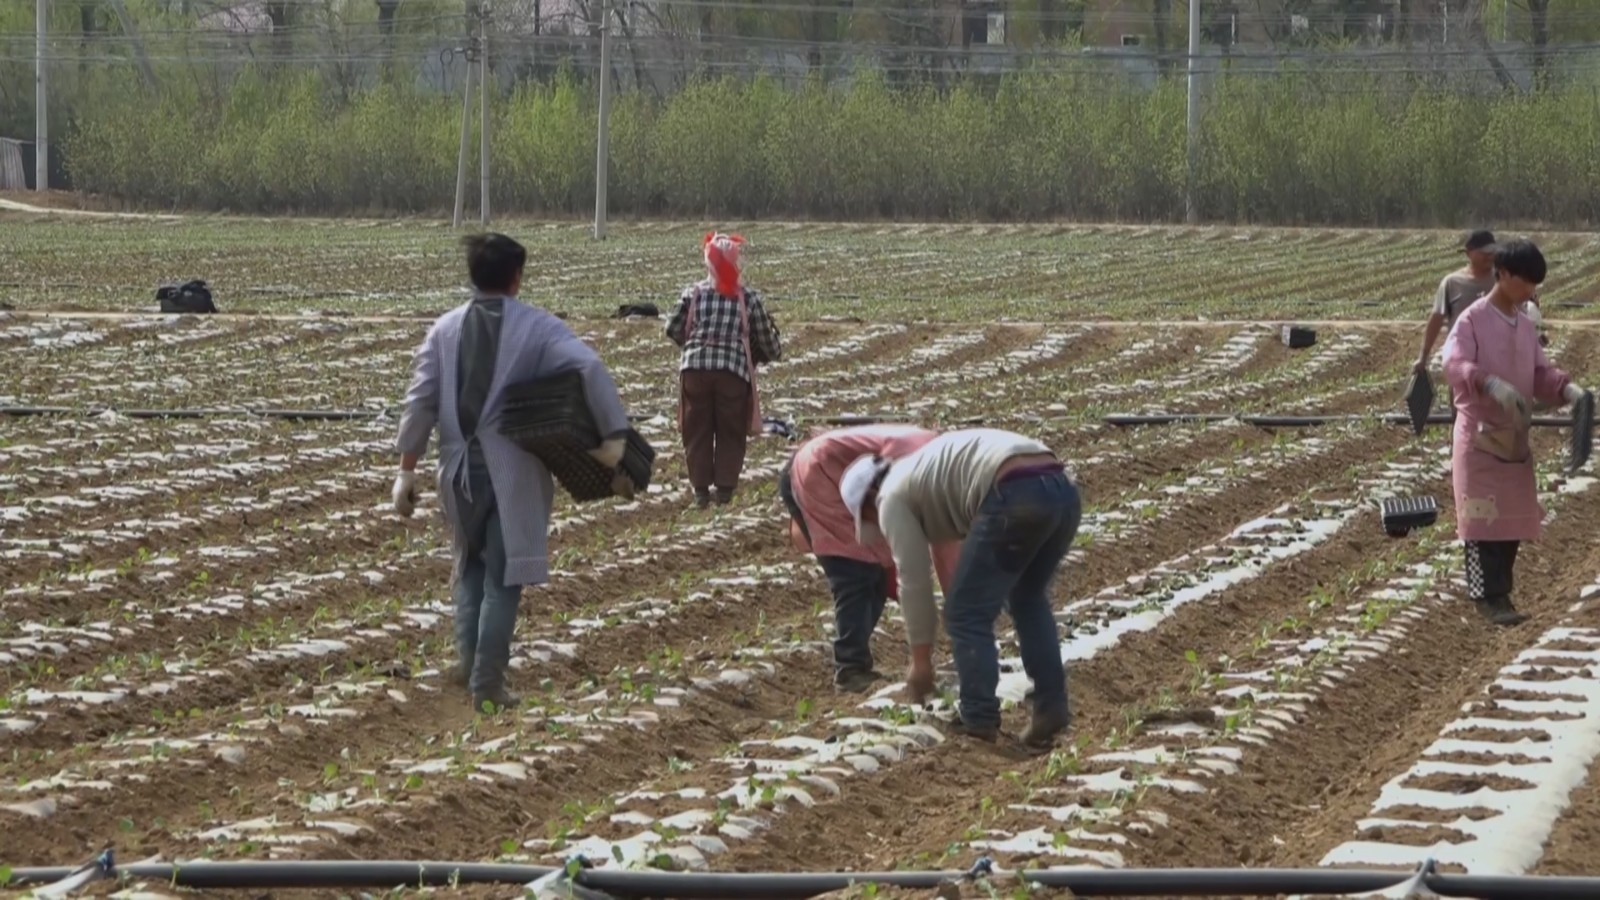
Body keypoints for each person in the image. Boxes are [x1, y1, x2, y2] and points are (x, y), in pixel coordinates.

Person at [393, 233, 632, 712]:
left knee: (471, 567)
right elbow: (588, 366)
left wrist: (406, 470)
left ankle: (468, 664)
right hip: (512, 471)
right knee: (503, 579)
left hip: (457, 472)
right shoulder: (538, 327)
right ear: (517, 278)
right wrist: (614, 435)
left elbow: (419, 402)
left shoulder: (443, 330)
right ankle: (488, 683)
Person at [840, 428, 1080, 751]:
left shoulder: (890, 496)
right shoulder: (923, 474)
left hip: (1014, 491)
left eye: (868, 517)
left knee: (965, 614)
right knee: (1027, 597)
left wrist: (921, 661)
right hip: (1061, 489)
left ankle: (978, 719)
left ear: (869, 499)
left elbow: (913, 581)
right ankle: (1050, 705)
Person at [1441, 238, 1589, 627]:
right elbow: (1454, 363)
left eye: (1535, 285)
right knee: (1480, 525)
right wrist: (1488, 383)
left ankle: (1502, 595)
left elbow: (1539, 372)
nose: (1530, 292)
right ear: (1503, 275)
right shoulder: (1472, 320)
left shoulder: (1524, 325)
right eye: (1525, 283)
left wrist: (1566, 389)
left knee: (1508, 525)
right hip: (1480, 438)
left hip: (1513, 439)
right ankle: (1486, 598)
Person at [779, 423, 964, 693]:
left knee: (876, 575)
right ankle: (850, 669)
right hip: (819, 473)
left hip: (839, 474)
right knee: (854, 572)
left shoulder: (943, 470)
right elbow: (940, 550)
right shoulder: (926, 465)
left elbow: (943, 549)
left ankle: (854, 663)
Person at [666, 233, 783, 509]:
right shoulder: (748, 298)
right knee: (731, 430)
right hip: (732, 373)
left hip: (694, 370)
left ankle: (700, 493)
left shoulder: (693, 294)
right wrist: (773, 353)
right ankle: (725, 493)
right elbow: (767, 340)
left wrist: (695, 346)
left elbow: (671, 328)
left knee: (696, 430)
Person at [1415, 229, 1499, 378]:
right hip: (1462, 360)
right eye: (1484, 252)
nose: (1489, 257)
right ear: (1468, 253)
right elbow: (1436, 319)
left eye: (1492, 252)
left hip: (1498, 359)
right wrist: (1423, 357)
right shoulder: (1452, 283)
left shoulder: (1503, 280)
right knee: (1462, 400)